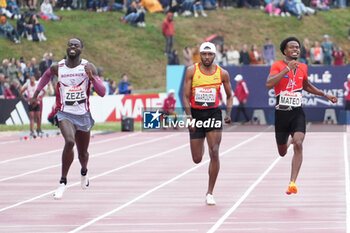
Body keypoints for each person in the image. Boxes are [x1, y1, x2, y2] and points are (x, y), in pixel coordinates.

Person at [32, 38, 106, 200]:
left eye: (76, 45)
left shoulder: (87, 67)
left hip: (83, 115)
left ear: (81, 49)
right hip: (64, 113)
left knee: (83, 154)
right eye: (70, 44)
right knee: (69, 141)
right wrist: (35, 94)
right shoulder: (58, 67)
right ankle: (62, 182)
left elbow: (102, 92)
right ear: (67, 48)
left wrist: (91, 78)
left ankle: (84, 172)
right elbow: (45, 76)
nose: (73, 47)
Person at [266, 36, 337, 195]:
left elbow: (306, 86)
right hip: (281, 114)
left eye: (297, 47)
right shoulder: (277, 65)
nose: (295, 49)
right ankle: (286, 142)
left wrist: (325, 95)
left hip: (297, 112)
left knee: (298, 143)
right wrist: (286, 69)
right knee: (282, 152)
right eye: (292, 47)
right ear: (285, 50)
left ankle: (292, 183)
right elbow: (269, 84)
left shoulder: (303, 67)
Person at [183, 42, 233, 205]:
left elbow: (229, 95)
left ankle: (210, 192)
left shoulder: (222, 73)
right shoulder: (192, 71)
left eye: (209, 54)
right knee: (197, 158)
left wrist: (229, 113)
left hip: (213, 113)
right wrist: (189, 117)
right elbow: (185, 96)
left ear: (214, 55)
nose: (206, 57)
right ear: (200, 55)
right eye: (203, 54)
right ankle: (202, 138)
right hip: (196, 114)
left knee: (215, 151)